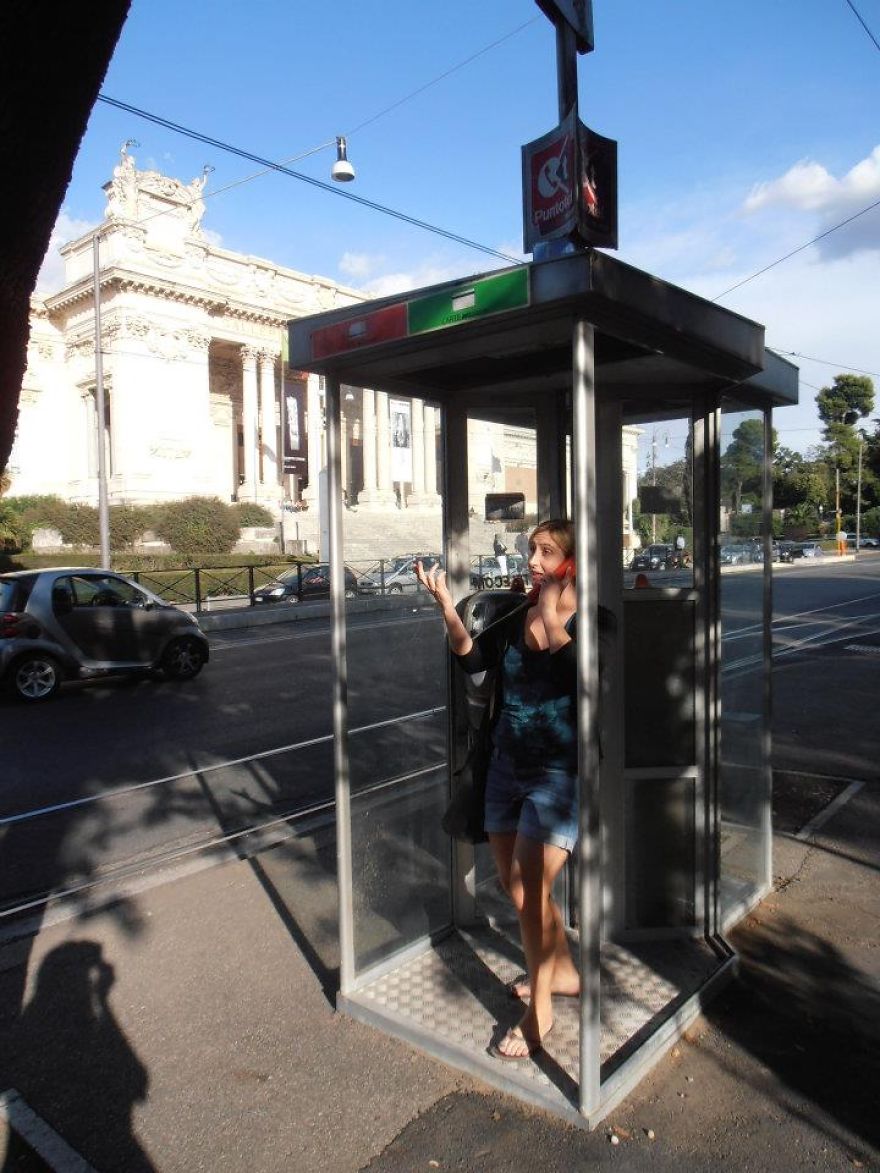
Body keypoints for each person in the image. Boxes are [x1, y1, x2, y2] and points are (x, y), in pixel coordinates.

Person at [416, 519, 581, 1061]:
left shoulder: (591, 618)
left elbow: (585, 681)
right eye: (531, 550)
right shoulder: (516, 611)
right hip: (505, 769)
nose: (532, 560)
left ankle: (539, 1015)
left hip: (555, 774)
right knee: (518, 888)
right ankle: (562, 974)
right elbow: (474, 661)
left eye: (546, 552)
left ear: (571, 561)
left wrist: (556, 620)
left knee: (532, 889)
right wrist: (447, 607)